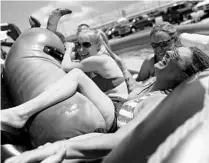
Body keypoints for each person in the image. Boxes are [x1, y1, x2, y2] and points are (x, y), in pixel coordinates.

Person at [3, 46, 209, 163]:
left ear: (183, 74)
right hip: (116, 109)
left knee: (59, 150)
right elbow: (130, 83)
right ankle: (18, 116)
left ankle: (20, 118)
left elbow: (119, 140)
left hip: (112, 125)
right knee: (77, 75)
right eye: (170, 51)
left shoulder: (158, 100)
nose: (166, 54)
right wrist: (116, 58)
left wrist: (62, 146)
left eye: (174, 57)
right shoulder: (151, 83)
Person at [61, 29, 128, 101]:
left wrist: (68, 50)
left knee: (77, 74)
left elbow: (65, 66)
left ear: (98, 45)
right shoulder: (98, 58)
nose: (81, 49)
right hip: (110, 100)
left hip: (117, 102)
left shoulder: (97, 60)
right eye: (78, 45)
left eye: (86, 45)